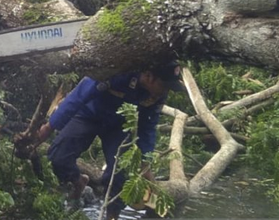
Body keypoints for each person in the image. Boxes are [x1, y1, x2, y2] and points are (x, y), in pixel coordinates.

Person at [35, 61, 184, 219]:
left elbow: (148, 126)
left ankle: (112, 215)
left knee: (119, 172)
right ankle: (79, 183)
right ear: (148, 76)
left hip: (119, 127)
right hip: (89, 115)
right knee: (58, 155)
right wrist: (49, 127)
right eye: (164, 85)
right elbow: (80, 95)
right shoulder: (118, 72)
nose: (165, 91)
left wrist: (145, 162)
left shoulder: (157, 96)